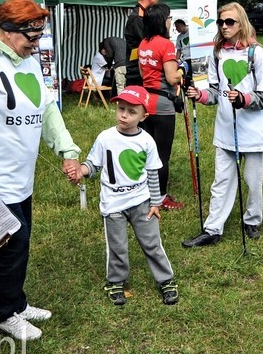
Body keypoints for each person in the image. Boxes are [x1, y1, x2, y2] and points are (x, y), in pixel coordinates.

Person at [0, 0, 81, 341]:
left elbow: (46, 108)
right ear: (8, 30)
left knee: (21, 241)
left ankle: (17, 302)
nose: (36, 44)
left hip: (21, 174)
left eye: (41, 37)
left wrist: (68, 150)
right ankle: (5, 314)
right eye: (32, 37)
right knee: (12, 243)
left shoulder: (26, 60)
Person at [67, 86, 179, 304]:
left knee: (152, 243)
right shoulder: (105, 138)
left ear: (144, 116)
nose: (124, 115)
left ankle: (166, 280)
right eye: (120, 109)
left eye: (131, 111)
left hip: (142, 202)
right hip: (113, 204)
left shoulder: (146, 141)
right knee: (117, 246)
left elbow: (153, 173)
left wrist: (155, 202)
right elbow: (94, 164)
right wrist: (81, 170)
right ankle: (116, 282)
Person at [182, 3, 263, 247]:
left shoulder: (257, 54)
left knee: (253, 181)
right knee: (221, 180)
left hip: (253, 129)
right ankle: (213, 228)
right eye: (221, 22)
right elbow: (213, 90)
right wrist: (198, 95)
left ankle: (252, 219)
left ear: (241, 23)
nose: (224, 26)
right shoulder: (218, 52)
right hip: (225, 127)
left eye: (229, 22)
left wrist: (243, 99)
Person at [138, 2, 184, 210]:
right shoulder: (166, 45)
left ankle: (148, 192)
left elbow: (142, 74)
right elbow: (172, 77)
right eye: (168, 19)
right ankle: (161, 197)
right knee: (162, 154)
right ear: (161, 21)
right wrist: (183, 70)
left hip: (146, 103)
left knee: (148, 151)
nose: (170, 22)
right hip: (163, 105)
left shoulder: (143, 44)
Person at [124, 0, 162, 87]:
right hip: (137, 75)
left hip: (145, 71)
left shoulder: (144, 15)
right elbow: (148, 44)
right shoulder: (137, 18)